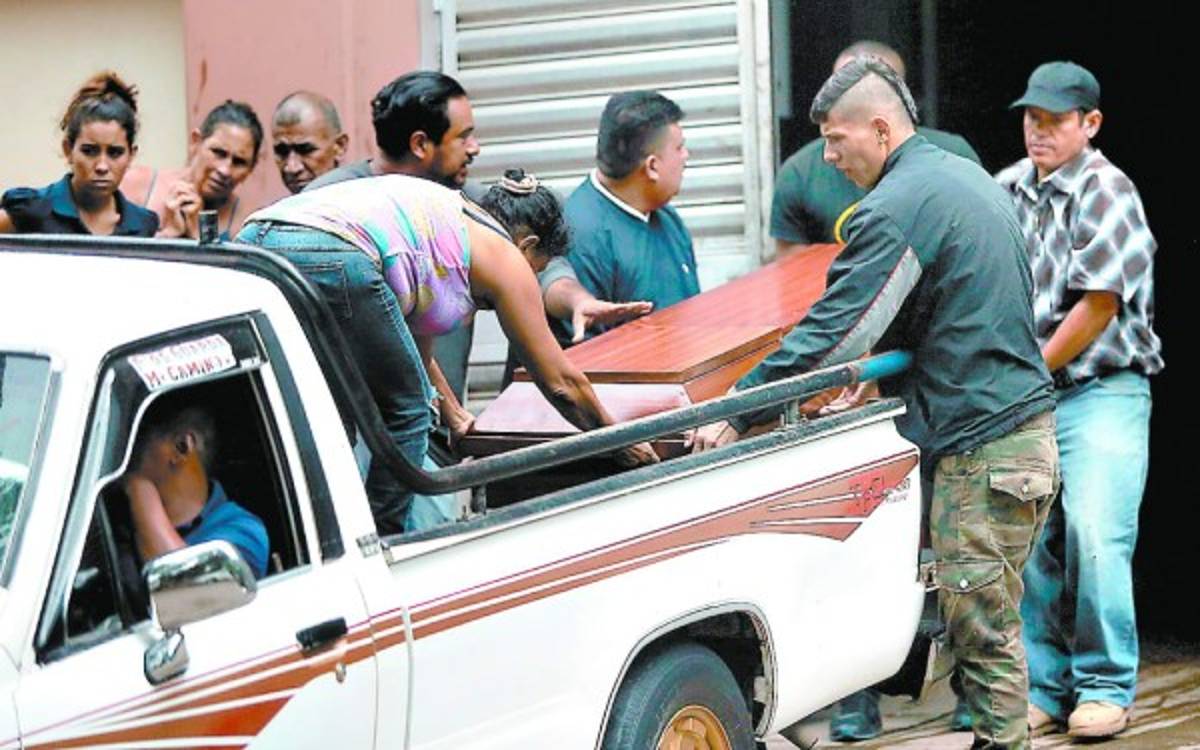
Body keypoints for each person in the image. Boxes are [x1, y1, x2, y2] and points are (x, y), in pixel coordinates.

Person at [692, 57, 1059, 750]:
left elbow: (837, 332)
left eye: (836, 140)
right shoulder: (961, 178)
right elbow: (963, 307)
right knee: (984, 621)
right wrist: (889, 375)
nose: (828, 158)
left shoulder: (897, 205)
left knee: (983, 631)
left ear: (881, 129)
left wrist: (739, 408)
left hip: (986, 449)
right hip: (1021, 437)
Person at [237, 173, 657, 535]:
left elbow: (407, 342)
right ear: (527, 245)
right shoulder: (505, 255)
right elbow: (560, 383)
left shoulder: (447, 225)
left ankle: (300, 538)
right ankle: (382, 544)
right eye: (537, 270)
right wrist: (620, 441)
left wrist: (454, 413)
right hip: (328, 249)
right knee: (406, 414)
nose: (529, 283)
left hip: (258, 236)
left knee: (327, 413)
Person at [996, 61, 1162, 741]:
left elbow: (1098, 306)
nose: (1039, 131)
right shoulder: (1004, 188)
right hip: (1030, 393)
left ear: (1090, 124)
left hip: (1103, 389)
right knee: (1028, 539)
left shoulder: (1108, 188)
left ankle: (1104, 685)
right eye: (1032, 117)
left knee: (1097, 533)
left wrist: (1027, 369)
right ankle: (1043, 685)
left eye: (1055, 120)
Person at [305, 71, 650, 396]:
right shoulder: (330, 204)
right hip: (364, 426)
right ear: (421, 144)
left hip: (443, 425)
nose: (475, 148)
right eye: (463, 136)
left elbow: (538, 267)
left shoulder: (471, 202)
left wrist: (577, 301)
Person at [771, 40, 981, 254]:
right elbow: (790, 269)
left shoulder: (954, 158)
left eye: (866, 89)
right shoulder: (798, 172)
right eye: (839, 88)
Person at [563, 90, 698, 338]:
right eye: (679, 148)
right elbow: (583, 356)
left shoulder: (667, 218)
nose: (686, 157)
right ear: (652, 167)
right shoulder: (580, 237)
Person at [122, 393, 269, 579]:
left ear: (182, 446)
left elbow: (194, 592)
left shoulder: (243, 531)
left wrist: (139, 488)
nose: (124, 456)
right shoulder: (115, 518)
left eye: (135, 441)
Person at [1, 71, 158, 237]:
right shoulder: (32, 210)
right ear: (68, 150)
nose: (102, 166)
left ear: (131, 155)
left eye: (115, 153)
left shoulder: (142, 225)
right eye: (89, 151)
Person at [122, 99, 263, 240]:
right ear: (196, 141)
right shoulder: (139, 185)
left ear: (251, 168)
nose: (224, 170)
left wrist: (199, 233)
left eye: (239, 162)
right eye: (218, 153)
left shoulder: (247, 222)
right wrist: (168, 233)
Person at [271, 91, 349, 194]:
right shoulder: (280, 210)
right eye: (282, 152)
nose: (292, 168)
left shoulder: (366, 207)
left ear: (339, 146)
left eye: (305, 151)